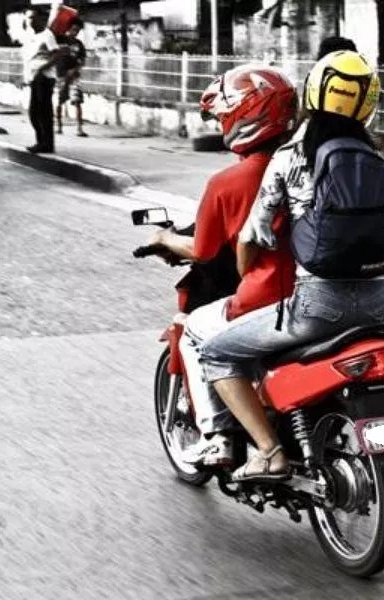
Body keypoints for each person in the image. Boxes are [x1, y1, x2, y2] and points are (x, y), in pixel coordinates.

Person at [198, 50, 384, 481]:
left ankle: (269, 451)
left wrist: (246, 264)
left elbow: (253, 237)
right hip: (383, 306)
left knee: (217, 351)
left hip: (318, 307)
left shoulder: (290, 156)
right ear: (368, 104)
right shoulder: (378, 160)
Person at [143, 65, 300, 467]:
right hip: (326, 290)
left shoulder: (229, 183)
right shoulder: (311, 166)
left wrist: (162, 239)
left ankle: (219, 436)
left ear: (242, 115)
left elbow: (203, 249)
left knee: (198, 331)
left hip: (271, 296)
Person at [22, 10, 65, 153]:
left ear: (41, 19)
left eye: (33, 18)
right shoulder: (30, 36)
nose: (31, 21)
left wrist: (42, 68)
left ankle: (47, 144)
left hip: (44, 77)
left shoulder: (47, 35)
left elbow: (57, 54)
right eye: (28, 18)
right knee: (34, 112)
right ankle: (41, 141)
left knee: (43, 111)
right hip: (33, 77)